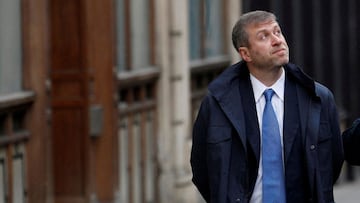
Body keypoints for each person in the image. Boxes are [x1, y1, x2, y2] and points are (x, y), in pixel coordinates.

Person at [190, 10, 344, 203]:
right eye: (264, 36)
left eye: (277, 32)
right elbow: (202, 169)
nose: (277, 40)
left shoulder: (318, 98)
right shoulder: (217, 104)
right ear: (245, 53)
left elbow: (333, 161)